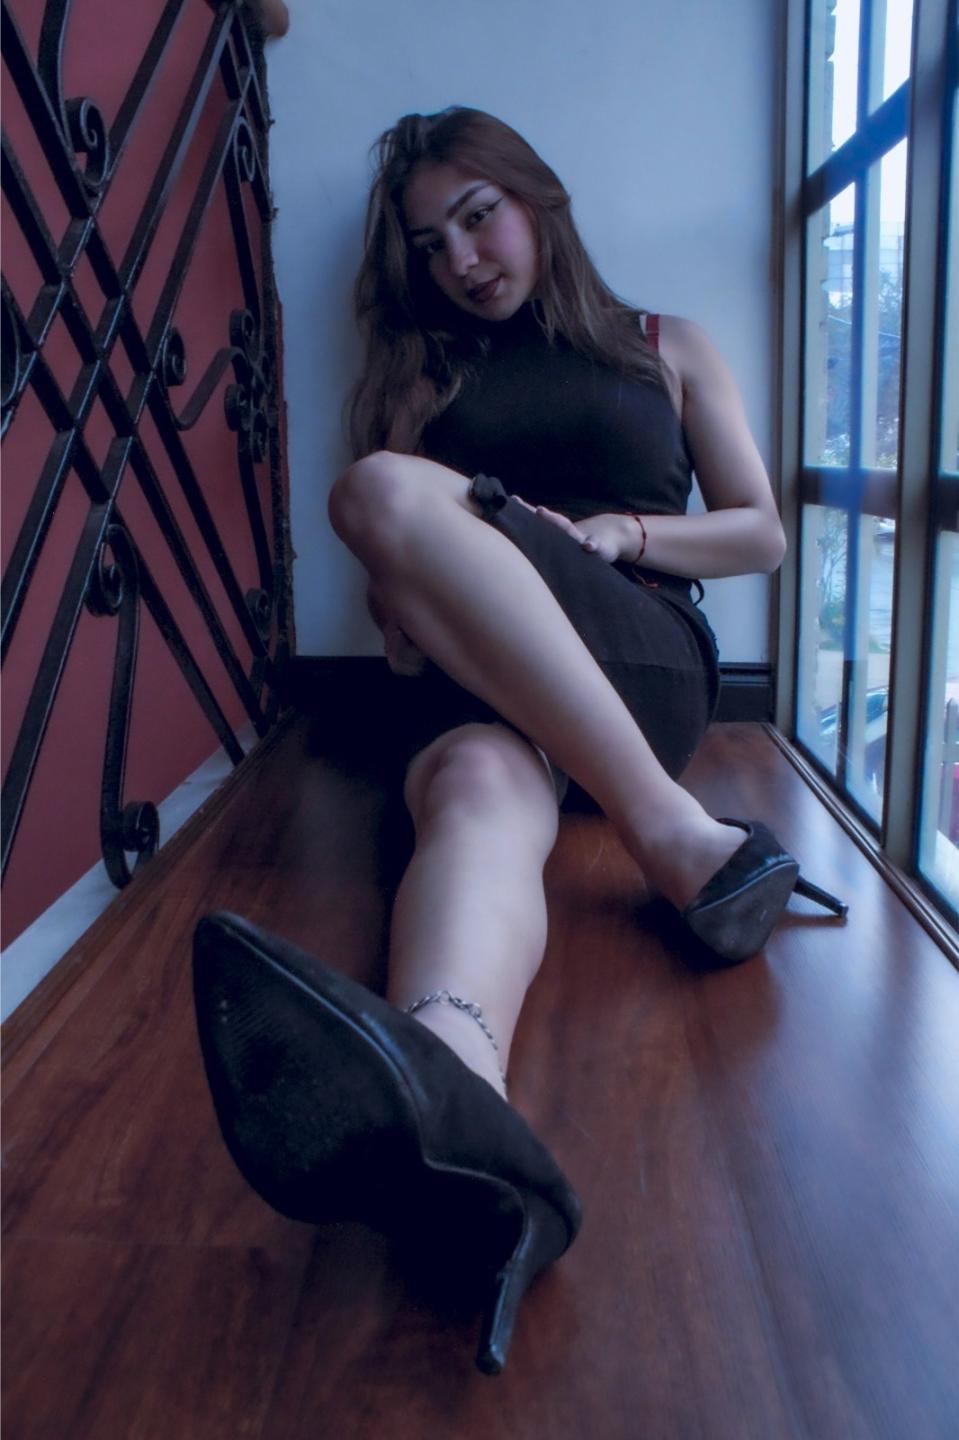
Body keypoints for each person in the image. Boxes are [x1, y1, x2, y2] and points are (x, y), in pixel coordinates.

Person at [192, 107, 846, 1375]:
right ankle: (455, 1104)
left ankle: (670, 830)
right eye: (429, 245)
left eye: (476, 218)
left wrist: (618, 535)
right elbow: (401, 570)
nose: (460, 260)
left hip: (632, 645)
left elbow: (759, 532)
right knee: (472, 792)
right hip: (469, 678)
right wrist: (399, 619)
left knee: (379, 489)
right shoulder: (419, 376)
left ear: (534, 199)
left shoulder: (663, 344)